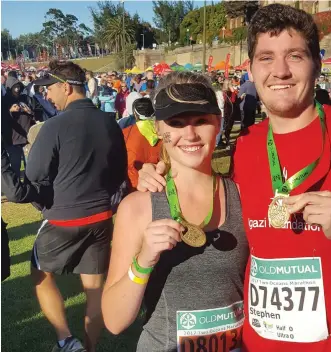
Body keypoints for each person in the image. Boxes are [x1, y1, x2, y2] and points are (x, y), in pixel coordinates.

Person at [136, 4, 331, 352]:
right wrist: (159, 175)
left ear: (316, 63)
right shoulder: (247, 146)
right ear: (251, 68)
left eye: (295, 56)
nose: (280, 71)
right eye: (266, 57)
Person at [101, 71, 248, 351]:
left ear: (218, 123)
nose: (189, 134)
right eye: (176, 123)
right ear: (159, 129)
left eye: (201, 121)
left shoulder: (243, 197)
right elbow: (114, 320)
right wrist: (144, 259)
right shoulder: (138, 208)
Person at [27, 60, 127, 352]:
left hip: (64, 218)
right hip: (101, 216)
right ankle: (89, 347)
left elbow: (34, 175)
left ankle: (66, 340)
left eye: (49, 89)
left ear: (66, 88)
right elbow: (119, 170)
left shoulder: (54, 125)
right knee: (94, 289)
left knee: (39, 276)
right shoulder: (110, 122)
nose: (47, 95)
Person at [122, 97, 162, 192]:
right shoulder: (166, 131)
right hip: (162, 185)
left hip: (134, 188)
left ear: (135, 114)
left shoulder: (126, 133)